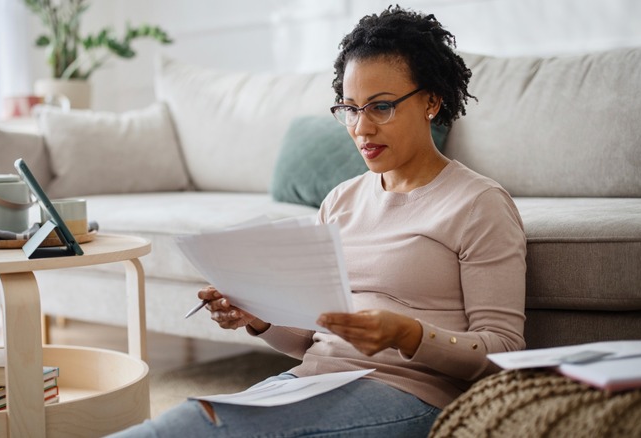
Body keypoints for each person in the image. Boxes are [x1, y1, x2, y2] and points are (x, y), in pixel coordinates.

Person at [111, 5, 526, 437]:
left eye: (380, 107)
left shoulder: (479, 203)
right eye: (349, 108)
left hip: (411, 397)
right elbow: (310, 340)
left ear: (432, 101)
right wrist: (259, 316)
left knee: (201, 428)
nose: (361, 128)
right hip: (312, 382)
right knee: (195, 418)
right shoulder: (340, 201)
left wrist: (408, 334)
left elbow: (503, 352)